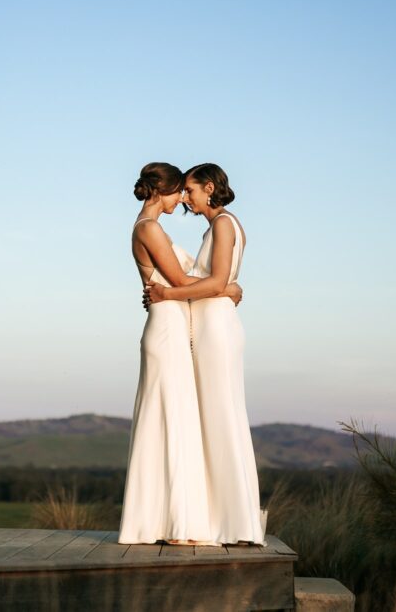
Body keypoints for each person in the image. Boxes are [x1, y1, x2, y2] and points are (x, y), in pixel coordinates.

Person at [118, 162, 242, 546]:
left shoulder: (151, 227)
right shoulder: (149, 228)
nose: (183, 200)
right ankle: (171, 523)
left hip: (172, 321)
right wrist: (229, 289)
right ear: (163, 191)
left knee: (177, 416)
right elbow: (181, 281)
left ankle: (172, 520)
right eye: (179, 192)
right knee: (170, 416)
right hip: (168, 327)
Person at [144, 163, 266, 546]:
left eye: (192, 192)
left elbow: (217, 280)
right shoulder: (216, 227)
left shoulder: (224, 224)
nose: (187, 200)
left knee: (223, 416)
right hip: (209, 325)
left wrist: (168, 295)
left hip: (216, 328)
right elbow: (218, 283)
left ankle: (241, 523)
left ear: (209, 187)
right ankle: (222, 520)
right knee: (213, 418)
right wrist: (222, 289)